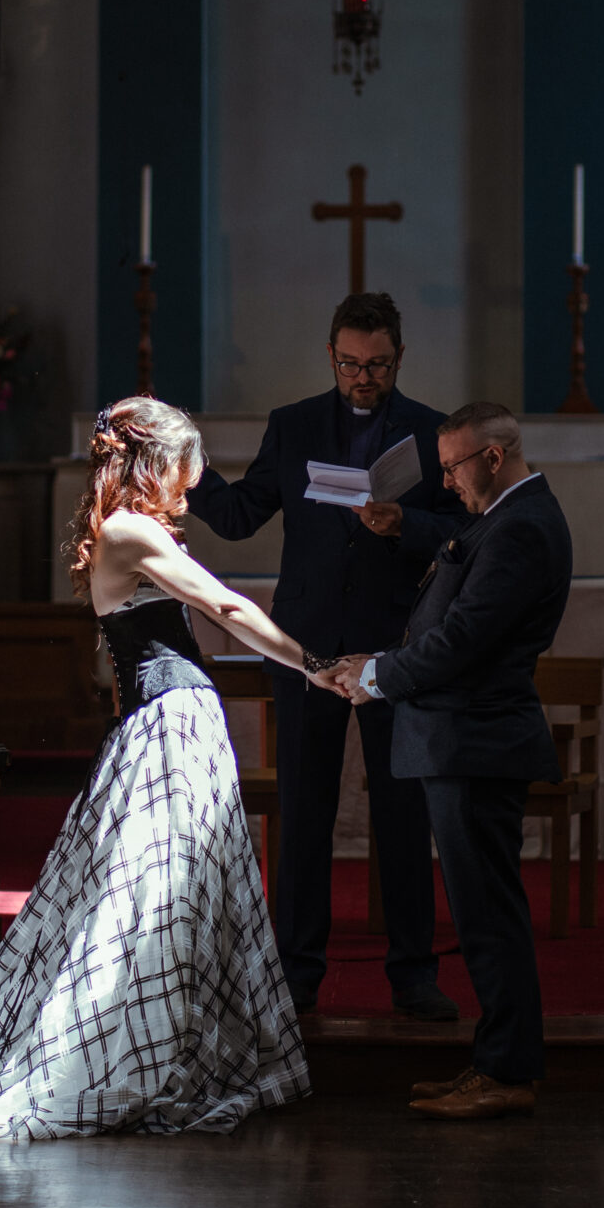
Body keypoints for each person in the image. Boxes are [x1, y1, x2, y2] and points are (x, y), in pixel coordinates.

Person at [0, 397, 313, 1140]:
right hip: (165, 731)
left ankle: (174, 1049)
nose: (192, 486)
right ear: (152, 466)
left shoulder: (131, 529)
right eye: (185, 469)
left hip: (173, 724)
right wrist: (310, 666)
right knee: (153, 901)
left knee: (182, 896)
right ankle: (139, 1058)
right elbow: (225, 606)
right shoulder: (129, 530)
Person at [184, 291, 464, 1019]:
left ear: (397, 358)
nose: (360, 377)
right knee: (304, 812)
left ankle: (412, 974)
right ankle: (296, 972)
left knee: (402, 814)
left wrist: (403, 522)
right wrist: (187, 473)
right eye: (347, 363)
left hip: (392, 645)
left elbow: (460, 533)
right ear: (330, 355)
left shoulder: (429, 432)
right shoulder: (295, 424)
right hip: (305, 644)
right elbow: (243, 516)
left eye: (374, 365)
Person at [329, 402, 574, 1122]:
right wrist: (381, 661)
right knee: (480, 914)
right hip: (462, 738)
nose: (446, 484)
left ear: (492, 458)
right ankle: (494, 1063)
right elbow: (451, 628)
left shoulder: (522, 525)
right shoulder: (505, 518)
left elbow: (466, 639)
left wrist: (376, 679)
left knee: (488, 916)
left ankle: (505, 1072)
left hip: (476, 741)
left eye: (453, 468)